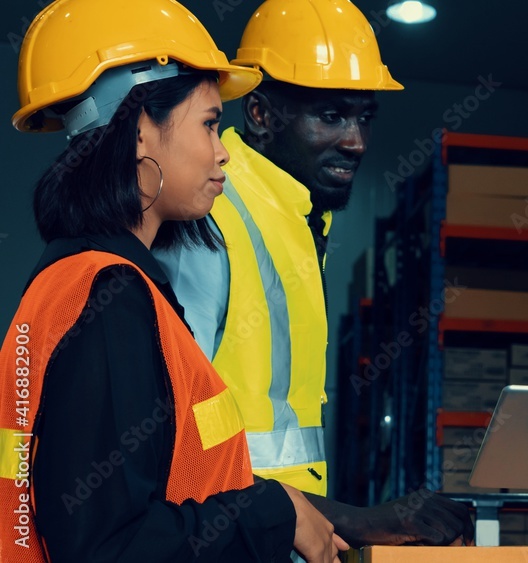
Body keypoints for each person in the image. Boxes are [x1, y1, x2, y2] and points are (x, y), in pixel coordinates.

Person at [1, 0, 350, 560]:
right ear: (140, 130)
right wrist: (272, 514)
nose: (222, 153)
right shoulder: (108, 300)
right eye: (210, 124)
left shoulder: (79, 284)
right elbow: (109, 548)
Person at [153, 0, 473, 547]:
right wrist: (355, 518)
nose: (356, 141)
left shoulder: (296, 220)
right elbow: (170, 442)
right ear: (260, 114)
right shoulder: (211, 216)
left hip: (273, 542)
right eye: (331, 116)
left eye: (364, 117)